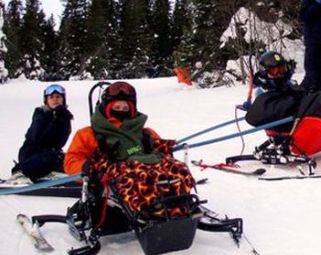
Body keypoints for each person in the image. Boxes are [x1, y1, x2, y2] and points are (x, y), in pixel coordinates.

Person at [64, 81, 193, 216]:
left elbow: (158, 151)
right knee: (138, 176)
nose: (120, 111)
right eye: (116, 107)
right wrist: (91, 168)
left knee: (178, 169)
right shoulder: (88, 134)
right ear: (107, 108)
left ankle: (178, 203)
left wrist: (165, 150)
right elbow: (71, 161)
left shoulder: (145, 133)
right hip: (115, 180)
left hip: (150, 169)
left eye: (125, 109)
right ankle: (151, 210)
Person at [12, 84, 74, 182]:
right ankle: (21, 173)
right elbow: (39, 139)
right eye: (51, 97)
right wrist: (56, 120)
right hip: (31, 155)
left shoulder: (63, 116)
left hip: (50, 154)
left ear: (63, 99)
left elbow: (60, 142)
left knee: (72, 158)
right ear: (46, 100)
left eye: (58, 97)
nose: (55, 100)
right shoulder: (40, 115)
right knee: (52, 158)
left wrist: (62, 119)